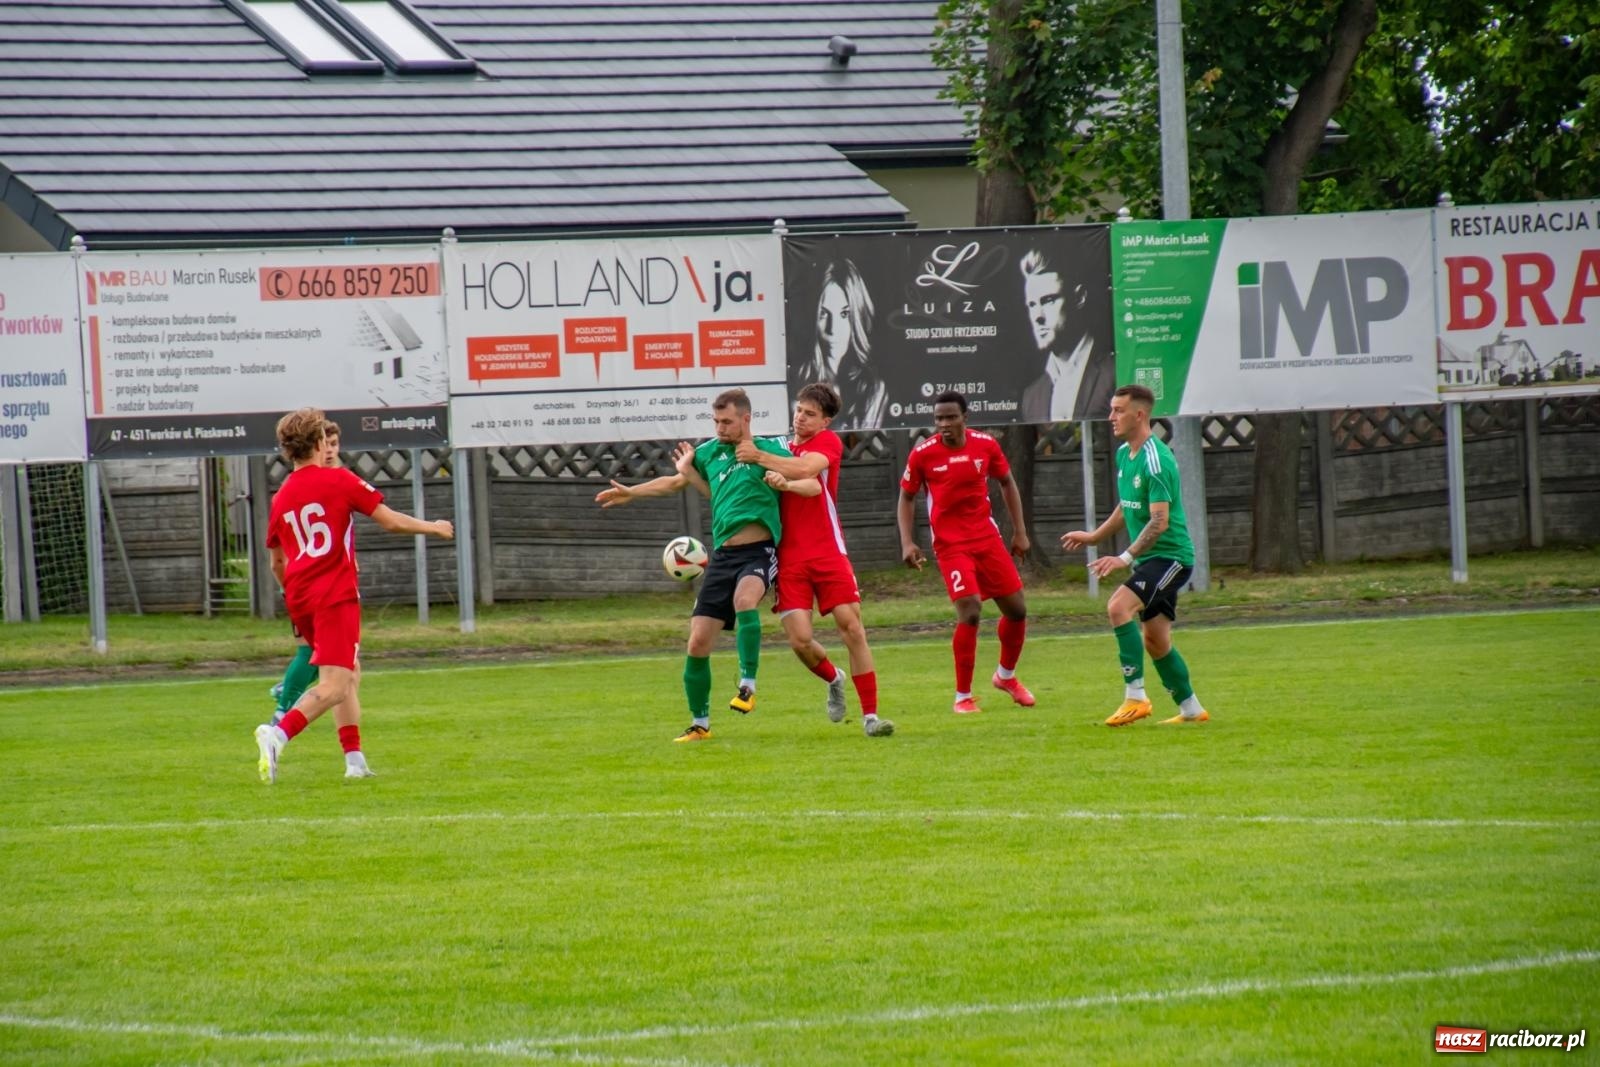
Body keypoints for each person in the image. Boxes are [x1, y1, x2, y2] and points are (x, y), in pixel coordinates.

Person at [595, 387, 818, 742]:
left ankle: (747, 685)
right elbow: (674, 481)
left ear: (746, 419)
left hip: (760, 551)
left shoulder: (769, 449)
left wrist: (780, 476)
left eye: (727, 421)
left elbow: (809, 478)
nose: (720, 428)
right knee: (697, 642)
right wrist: (632, 492)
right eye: (716, 421)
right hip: (723, 557)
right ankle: (700, 725)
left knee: (745, 601)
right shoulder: (710, 453)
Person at [253, 408, 454, 783]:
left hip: (300, 596)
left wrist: (294, 595)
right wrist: (435, 527)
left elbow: (276, 562)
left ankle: (355, 761)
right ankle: (278, 734)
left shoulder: (281, 497)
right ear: (317, 444)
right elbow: (390, 520)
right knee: (335, 684)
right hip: (334, 595)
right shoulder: (338, 480)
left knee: (349, 672)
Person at [735, 382, 894, 738]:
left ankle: (871, 717)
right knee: (799, 639)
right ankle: (833, 679)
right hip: (789, 558)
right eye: (798, 411)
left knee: (851, 627)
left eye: (809, 414)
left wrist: (763, 461)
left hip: (828, 551)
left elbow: (808, 474)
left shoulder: (827, 444)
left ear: (825, 421)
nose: (800, 418)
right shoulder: (780, 447)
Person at [1060, 384, 1209, 726]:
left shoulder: (1157, 460)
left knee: (1117, 607)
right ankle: (1191, 709)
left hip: (1172, 559)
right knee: (1156, 641)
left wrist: (1123, 558)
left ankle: (1136, 696)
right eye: (1111, 409)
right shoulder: (1125, 454)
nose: (1110, 417)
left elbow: (1159, 521)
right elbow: (1128, 506)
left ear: (1139, 414)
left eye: (1118, 410)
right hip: (1152, 560)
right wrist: (1096, 536)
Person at [896, 390, 1034, 714]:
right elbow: (906, 497)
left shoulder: (985, 445)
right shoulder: (923, 454)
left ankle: (1006, 677)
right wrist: (907, 541)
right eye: (939, 419)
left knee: (1017, 610)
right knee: (970, 609)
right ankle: (963, 697)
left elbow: (1007, 482)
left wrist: (1021, 532)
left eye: (950, 417)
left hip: (987, 538)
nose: (944, 424)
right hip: (950, 544)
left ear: (964, 418)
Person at [267, 419, 343, 726]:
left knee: (337, 662)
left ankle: (354, 757)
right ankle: (282, 715)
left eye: (335, 444)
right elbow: (278, 555)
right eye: (326, 442)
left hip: (328, 585)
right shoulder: (297, 488)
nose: (329, 450)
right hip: (310, 588)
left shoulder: (338, 481)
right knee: (319, 656)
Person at [1017, 247, 1116, 423]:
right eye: (1032, 305)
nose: (1038, 316)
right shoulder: (1031, 396)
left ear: (1079, 298)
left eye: (1048, 300)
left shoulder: (1115, 372)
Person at [793, 257, 888, 431]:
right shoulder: (797, 381)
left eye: (844, 314)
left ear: (857, 318)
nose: (832, 329)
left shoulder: (871, 388)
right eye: (823, 314)